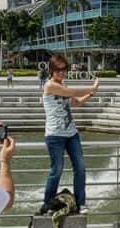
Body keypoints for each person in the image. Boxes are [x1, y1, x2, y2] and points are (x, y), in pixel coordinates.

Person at [42, 53, 98, 212]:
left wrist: (92, 93)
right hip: (55, 135)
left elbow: (77, 102)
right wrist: (92, 87)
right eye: (58, 69)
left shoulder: (63, 86)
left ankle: (81, 203)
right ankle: (48, 204)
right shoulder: (50, 85)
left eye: (64, 69)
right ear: (52, 70)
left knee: (80, 168)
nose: (61, 72)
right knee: (56, 170)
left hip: (71, 133)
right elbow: (74, 93)